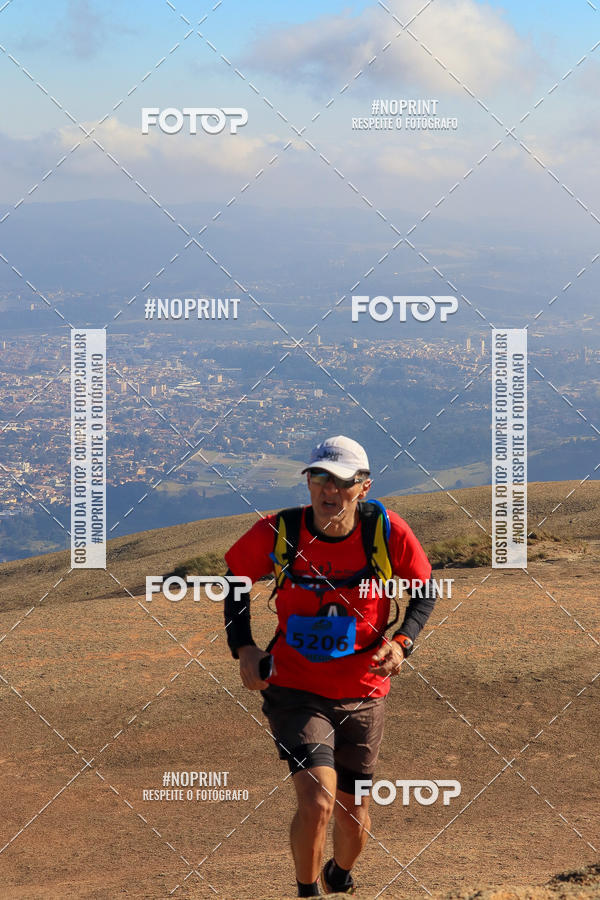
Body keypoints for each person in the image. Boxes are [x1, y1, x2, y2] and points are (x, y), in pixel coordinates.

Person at [223, 435, 435, 897]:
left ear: (363, 486)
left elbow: (424, 591)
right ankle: (307, 891)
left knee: (352, 812)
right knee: (317, 798)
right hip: (294, 687)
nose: (328, 490)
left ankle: (339, 872)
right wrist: (244, 647)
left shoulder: (386, 532)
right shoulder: (280, 532)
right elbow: (235, 580)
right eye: (318, 477)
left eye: (341, 481)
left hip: (363, 690)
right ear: (309, 482)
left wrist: (402, 644)